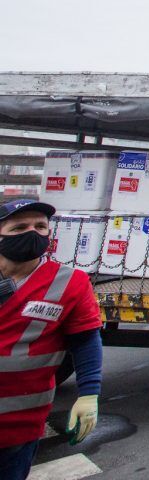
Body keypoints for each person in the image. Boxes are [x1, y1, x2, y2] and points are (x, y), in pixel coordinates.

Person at [0, 200, 102, 480]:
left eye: (40, 226)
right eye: (20, 227)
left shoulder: (70, 283)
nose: (33, 232)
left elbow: (86, 341)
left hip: (19, 427)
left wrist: (89, 394)